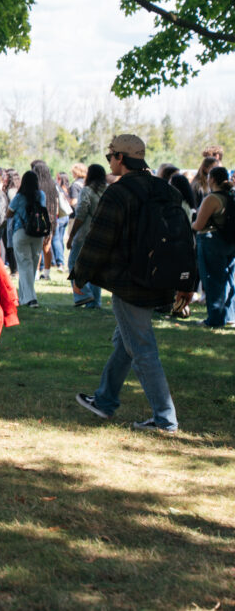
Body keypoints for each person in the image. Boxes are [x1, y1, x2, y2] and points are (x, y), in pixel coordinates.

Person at [73, 134, 195, 434]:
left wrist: (79, 276)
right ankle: (104, 400)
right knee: (125, 342)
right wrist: (186, 281)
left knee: (141, 348)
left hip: (130, 283)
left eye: (110, 155)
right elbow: (184, 239)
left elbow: (99, 240)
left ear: (121, 159)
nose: (109, 161)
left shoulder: (119, 193)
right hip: (162, 279)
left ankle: (165, 419)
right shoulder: (165, 190)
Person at [190, 166, 235, 327]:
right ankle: (229, 316)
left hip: (211, 240)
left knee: (212, 279)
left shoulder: (212, 198)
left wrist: (191, 222)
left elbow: (199, 224)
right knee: (229, 280)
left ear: (213, 179)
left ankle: (215, 319)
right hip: (230, 241)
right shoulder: (231, 195)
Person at [66, 163, 106, 308]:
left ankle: (83, 295)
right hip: (102, 235)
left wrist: (71, 236)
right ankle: (95, 302)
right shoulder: (107, 191)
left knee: (73, 264)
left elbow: (81, 214)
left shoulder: (86, 191)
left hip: (85, 234)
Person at [6, 171, 46, 308]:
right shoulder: (41, 195)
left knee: (24, 266)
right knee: (32, 266)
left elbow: (9, 213)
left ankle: (30, 299)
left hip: (21, 231)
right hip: (38, 233)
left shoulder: (18, 197)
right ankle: (24, 297)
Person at [30, 160, 58, 279]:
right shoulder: (52, 185)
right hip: (50, 220)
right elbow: (56, 204)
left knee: (36, 247)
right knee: (47, 247)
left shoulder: (35, 185)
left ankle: (36, 273)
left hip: (36, 218)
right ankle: (46, 273)